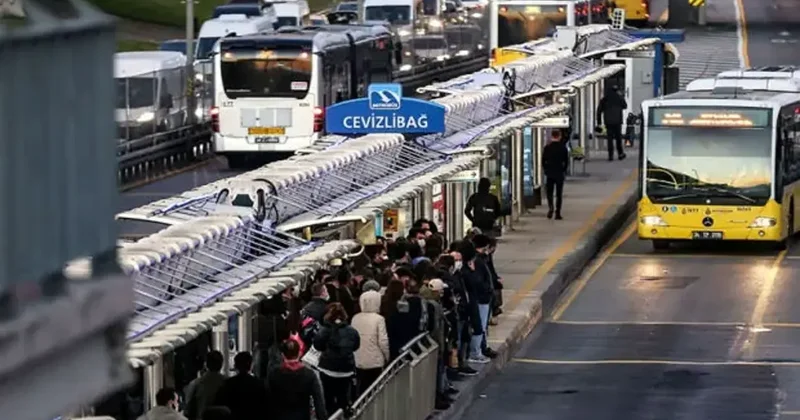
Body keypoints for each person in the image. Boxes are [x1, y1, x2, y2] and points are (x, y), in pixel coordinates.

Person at [314, 302, 361, 415]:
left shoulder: (324, 330)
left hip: (327, 369)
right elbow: (356, 346)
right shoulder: (352, 331)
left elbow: (317, 345)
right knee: (343, 397)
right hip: (346, 369)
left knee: (328, 398)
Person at [267, 339, 328, 420]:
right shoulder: (309, 375)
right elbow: (319, 402)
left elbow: (268, 398)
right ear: (299, 354)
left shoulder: (274, 374)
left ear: (283, 355)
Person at [351, 290, 390, 394]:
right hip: (375, 361)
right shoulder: (379, 319)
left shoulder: (355, 318)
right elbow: (383, 341)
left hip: (358, 359)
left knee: (361, 388)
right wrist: (387, 356)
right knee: (375, 390)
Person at [214, 352, 269, 420]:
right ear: (250, 365)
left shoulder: (228, 383)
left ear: (236, 365)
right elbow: (265, 407)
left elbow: (220, 406)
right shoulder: (259, 384)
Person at [184, 351, 226, 420]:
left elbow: (188, 410)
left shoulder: (195, 384)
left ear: (206, 364)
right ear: (221, 364)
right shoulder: (228, 382)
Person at [541, 129, 569, 220]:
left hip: (550, 173)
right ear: (559, 136)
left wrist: (546, 170)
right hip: (559, 173)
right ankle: (558, 212)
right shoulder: (563, 148)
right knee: (559, 194)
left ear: (552, 136)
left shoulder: (547, 147)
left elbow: (543, 161)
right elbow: (566, 161)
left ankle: (550, 208)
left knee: (549, 193)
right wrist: (563, 170)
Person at [596, 84, 628, 161]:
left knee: (609, 139)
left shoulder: (605, 99)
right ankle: (620, 154)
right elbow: (625, 106)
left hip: (608, 121)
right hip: (617, 121)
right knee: (618, 138)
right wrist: (621, 96)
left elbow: (599, 111)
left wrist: (599, 123)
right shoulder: (619, 98)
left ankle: (610, 155)